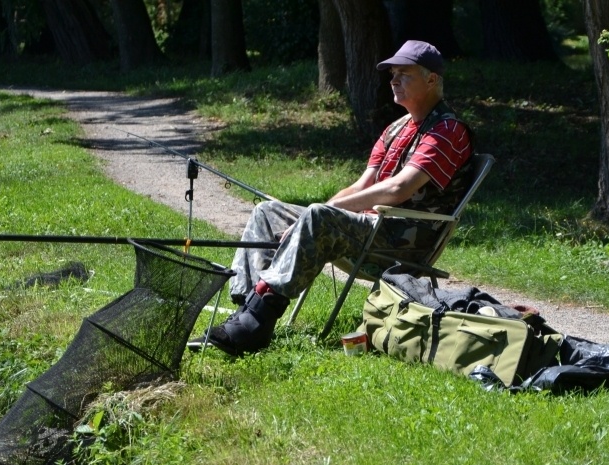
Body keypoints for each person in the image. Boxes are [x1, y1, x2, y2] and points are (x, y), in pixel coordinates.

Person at [201, 40, 474, 356]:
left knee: (319, 215)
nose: (394, 80)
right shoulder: (397, 128)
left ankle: (254, 322)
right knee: (267, 211)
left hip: (403, 240)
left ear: (431, 80)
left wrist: (316, 214)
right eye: (392, 74)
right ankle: (247, 310)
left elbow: (398, 190)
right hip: (372, 227)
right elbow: (362, 186)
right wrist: (314, 213)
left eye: (404, 74)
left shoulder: (447, 130)